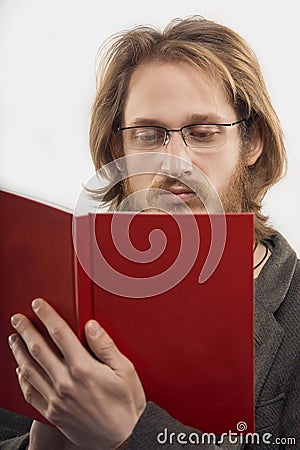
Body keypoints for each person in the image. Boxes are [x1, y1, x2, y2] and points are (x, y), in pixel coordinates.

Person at [1, 15, 299, 450]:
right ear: (116, 150)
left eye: (202, 133)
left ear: (251, 143)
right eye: (148, 134)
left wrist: (128, 433)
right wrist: (47, 437)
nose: (175, 160)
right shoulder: (48, 290)